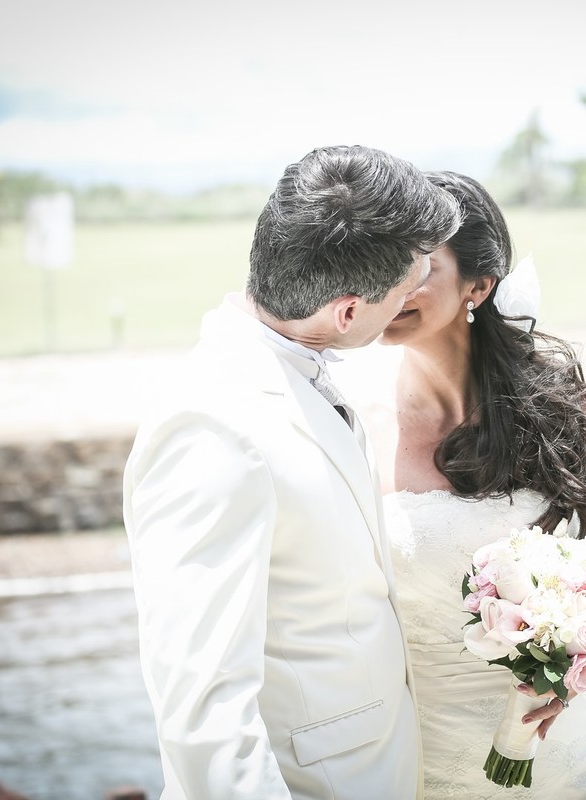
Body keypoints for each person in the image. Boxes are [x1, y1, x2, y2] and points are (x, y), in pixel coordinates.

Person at [123, 145, 461, 799]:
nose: (410, 305)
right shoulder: (212, 427)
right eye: (404, 291)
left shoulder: (296, 371)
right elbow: (202, 711)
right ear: (346, 310)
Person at [373, 171, 586, 797]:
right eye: (380, 261)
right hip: (420, 749)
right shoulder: (350, 416)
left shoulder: (558, 397)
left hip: (561, 746)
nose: (388, 284)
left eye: (417, 266)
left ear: (479, 286)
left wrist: (577, 661)